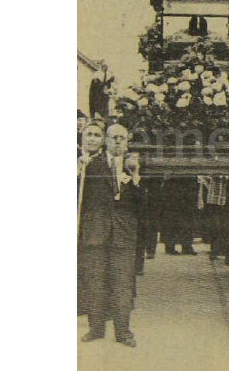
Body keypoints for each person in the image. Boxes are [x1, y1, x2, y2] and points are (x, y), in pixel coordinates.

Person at [78, 122, 143, 347]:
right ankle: (96, 329)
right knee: (95, 282)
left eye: (121, 138)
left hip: (123, 235)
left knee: (122, 284)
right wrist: (78, 170)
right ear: (105, 140)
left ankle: (123, 332)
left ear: (127, 142)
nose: (117, 141)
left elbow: (143, 204)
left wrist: (135, 179)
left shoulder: (133, 166)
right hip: (95, 232)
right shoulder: (89, 165)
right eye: (112, 137)